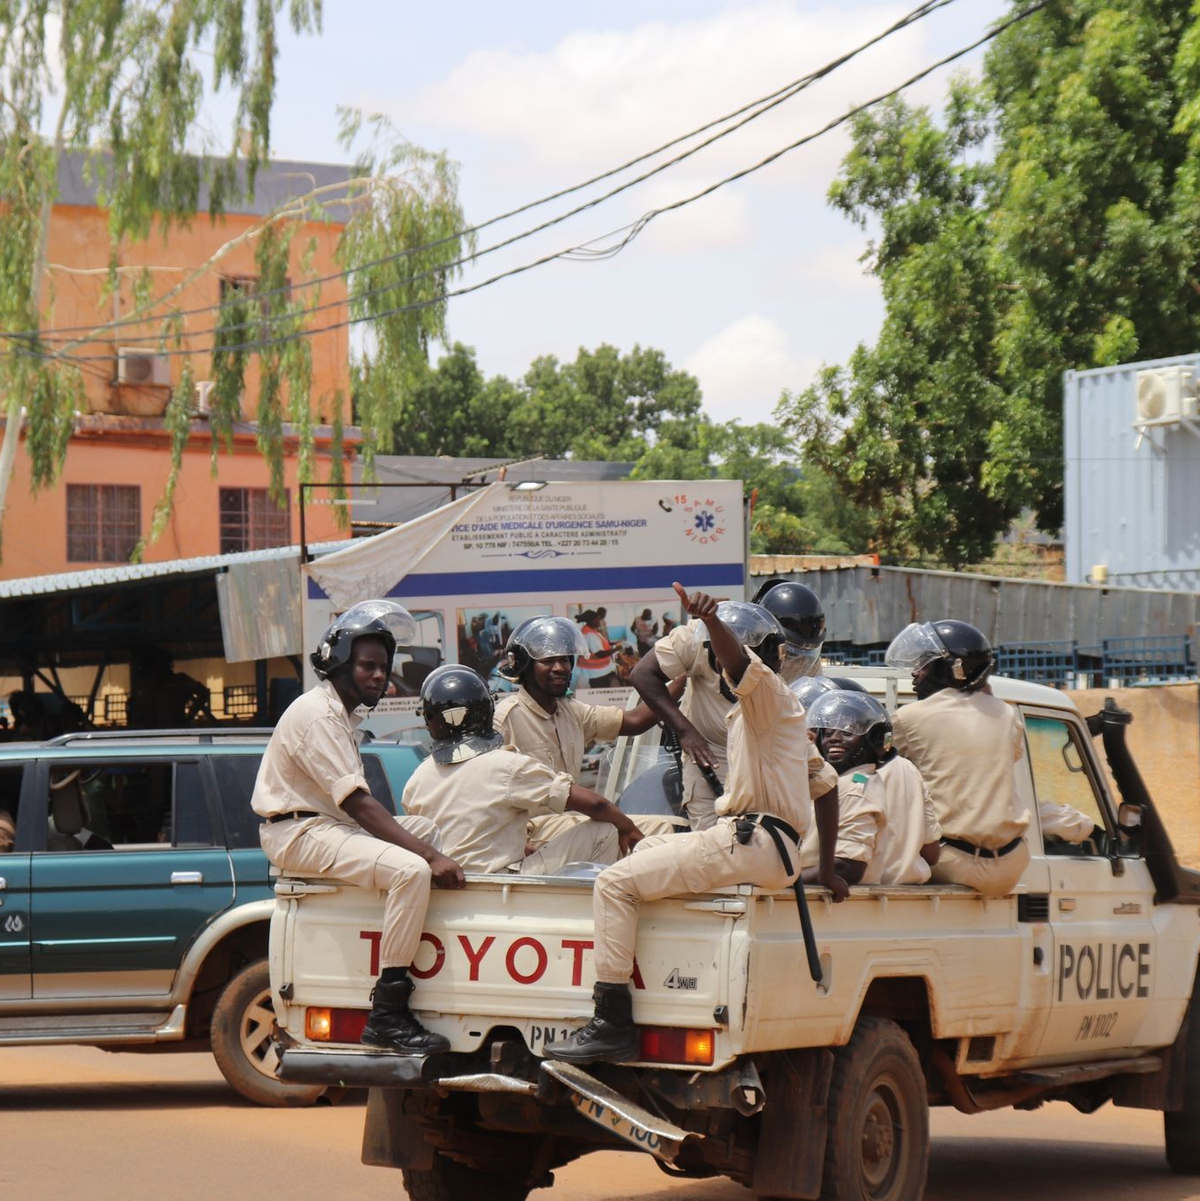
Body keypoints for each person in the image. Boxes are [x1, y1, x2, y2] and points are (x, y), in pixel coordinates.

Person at [545, 584, 844, 1066]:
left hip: (752, 837)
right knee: (644, 859)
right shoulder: (773, 711)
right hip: (771, 846)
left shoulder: (766, 691)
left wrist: (710, 620)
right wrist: (826, 871)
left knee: (615, 885)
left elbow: (739, 662)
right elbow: (825, 785)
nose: (724, 668)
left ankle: (612, 1021)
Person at [253, 600, 465, 1055]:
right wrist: (429, 858)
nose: (378, 676)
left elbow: (359, 808)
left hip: (321, 825)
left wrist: (425, 845)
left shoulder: (341, 713)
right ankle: (388, 1013)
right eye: (367, 665)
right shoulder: (319, 715)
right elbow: (357, 803)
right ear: (339, 663)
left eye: (383, 668)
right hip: (299, 833)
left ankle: (399, 936)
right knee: (411, 869)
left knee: (423, 829)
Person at [402, 665, 643, 874]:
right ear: (486, 709)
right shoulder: (506, 764)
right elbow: (597, 805)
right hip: (505, 881)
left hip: (456, 882)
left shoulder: (417, 779)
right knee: (607, 827)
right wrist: (627, 827)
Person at [493, 616, 683, 843]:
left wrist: (686, 676)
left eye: (564, 660)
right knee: (614, 830)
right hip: (527, 834)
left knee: (661, 827)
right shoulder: (505, 718)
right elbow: (486, 793)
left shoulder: (571, 711)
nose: (559, 668)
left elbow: (635, 721)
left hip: (564, 825)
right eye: (548, 661)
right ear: (525, 665)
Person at [886, 619, 1030, 897]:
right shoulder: (1006, 714)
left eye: (924, 664)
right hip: (1012, 862)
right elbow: (1006, 756)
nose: (916, 673)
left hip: (951, 862)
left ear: (953, 668)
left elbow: (877, 769)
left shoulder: (909, 717)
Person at [801, 691, 940, 886]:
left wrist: (789, 881)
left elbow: (849, 866)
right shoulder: (841, 783)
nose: (834, 739)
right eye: (829, 732)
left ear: (872, 740)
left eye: (848, 732)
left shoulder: (855, 787)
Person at [752, 578, 826, 683]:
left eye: (798, 658)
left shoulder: (810, 663)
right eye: (788, 655)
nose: (788, 665)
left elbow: (811, 691)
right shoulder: (744, 654)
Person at [576, 611, 617, 688]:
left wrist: (612, 644)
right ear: (592, 621)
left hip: (597, 670)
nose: (599, 621)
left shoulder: (590, 630)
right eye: (598, 619)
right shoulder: (590, 635)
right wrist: (617, 649)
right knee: (600, 689)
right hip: (597, 671)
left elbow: (599, 644)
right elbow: (599, 654)